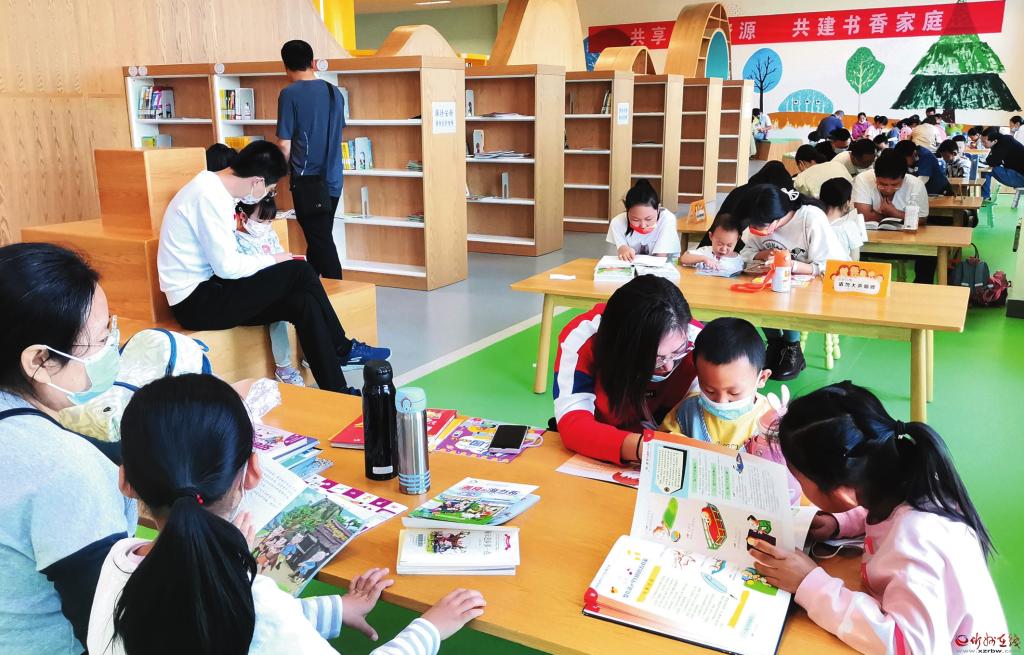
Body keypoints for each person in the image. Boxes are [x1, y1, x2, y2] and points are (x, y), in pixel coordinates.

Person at [88, 374, 486, 655]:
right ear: (253, 471)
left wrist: (337, 609)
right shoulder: (254, 599)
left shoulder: (116, 563)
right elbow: (260, 619)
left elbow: (249, 618)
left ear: (126, 481)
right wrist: (429, 629)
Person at [750, 381, 1007, 654]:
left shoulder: (914, 541)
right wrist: (840, 522)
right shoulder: (904, 478)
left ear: (843, 493)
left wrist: (809, 583)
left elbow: (909, 646)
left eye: (799, 479)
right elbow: (879, 512)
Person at [157, 140, 389, 395]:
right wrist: (274, 260)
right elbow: (227, 267)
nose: (267, 194)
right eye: (269, 189)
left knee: (303, 302)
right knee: (299, 271)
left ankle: (338, 392)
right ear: (257, 181)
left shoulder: (213, 189)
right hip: (196, 302)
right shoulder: (208, 196)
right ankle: (341, 348)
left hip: (214, 288)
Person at [0, 243, 137, 655]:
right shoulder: (65, 469)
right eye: (100, 340)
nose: (111, 348)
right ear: (39, 360)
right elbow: (117, 633)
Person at [553, 275, 701, 464]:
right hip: (608, 453)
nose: (668, 366)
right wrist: (646, 449)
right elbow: (573, 424)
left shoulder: (699, 346)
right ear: (622, 347)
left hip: (668, 448)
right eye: (656, 359)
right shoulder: (582, 339)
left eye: (677, 352)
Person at [737, 185, 848, 380]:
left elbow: (829, 266)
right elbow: (746, 254)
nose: (757, 230)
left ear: (777, 218)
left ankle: (792, 346)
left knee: (789, 296)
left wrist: (792, 265)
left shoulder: (810, 218)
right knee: (758, 294)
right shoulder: (760, 219)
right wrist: (763, 255)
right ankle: (775, 342)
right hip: (774, 281)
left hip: (813, 283)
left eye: (762, 227)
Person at [276, 39, 346, 279]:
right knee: (319, 238)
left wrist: (273, 176)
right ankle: (311, 287)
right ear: (313, 62)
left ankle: (338, 292)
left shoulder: (289, 94)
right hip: (333, 179)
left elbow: (284, 144)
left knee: (320, 240)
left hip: (307, 181)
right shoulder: (334, 92)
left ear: (285, 66)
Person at [660, 318, 774, 450]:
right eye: (710, 391)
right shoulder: (686, 412)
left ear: (762, 378)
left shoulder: (771, 421)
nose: (721, 402)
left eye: (734, 393)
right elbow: (662, 440)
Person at [232, 196, 304, 387]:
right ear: (243, 216)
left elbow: (281, 257)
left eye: (270, 221)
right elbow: (242, 271)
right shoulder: (235, 240)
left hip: (278, 284)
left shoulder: (270, 234)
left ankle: (310, 352)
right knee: (279, 315)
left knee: (304, 301)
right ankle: (284, 367)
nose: (265, 226)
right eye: (261, 221)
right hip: (255, 291)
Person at [851, 150, 934, 283]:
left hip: (907, 243)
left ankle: (921, 289)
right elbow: (863, 214)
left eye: (895, 185)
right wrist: (904, 218)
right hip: (868, 242)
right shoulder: (863, 179)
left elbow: (922, 219)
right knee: (852, 252)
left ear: (904, 178)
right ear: (875, 175)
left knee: (929, 253)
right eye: (882, 184)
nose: (888, 189)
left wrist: (893, 213)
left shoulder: (916, 185)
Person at [606, 179, 681, 261]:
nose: (643, 225)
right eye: (635, 219)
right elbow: (621, 248)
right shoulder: (617, 222)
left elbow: (660, 258)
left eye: (648, 219)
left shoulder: (667, 219)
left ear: (658, 209)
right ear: (627, 212)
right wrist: (623, 249)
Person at [678, 213, 743, 273]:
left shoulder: (737, 259)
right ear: (711, 236)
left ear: (737, 239)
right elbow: (683, 258)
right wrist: (703, 259)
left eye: (729, 245)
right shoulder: (704, 251)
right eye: (720, 244)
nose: (724, 249)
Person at [819, 177, 866, 260]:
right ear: (847, 202)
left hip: (815, 268)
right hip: (841, 268)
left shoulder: (813, 223)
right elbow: (855, 259)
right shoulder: (849, 226)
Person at [980, 126, 1024, 203]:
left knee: (987, 170)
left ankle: (985, 197)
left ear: (994, 141)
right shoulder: (1003, 141)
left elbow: (992, 162)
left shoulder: (1004, 142)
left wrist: (991, 157)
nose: (982, 144)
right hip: (1017, 174)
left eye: (984, 142)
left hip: (1020, 178)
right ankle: (985, 196)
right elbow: (991, 160)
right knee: (988, 168)